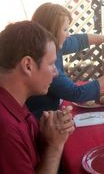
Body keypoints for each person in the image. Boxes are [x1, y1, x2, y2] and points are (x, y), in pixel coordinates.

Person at [26, 3, 104, 119]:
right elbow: (77, 94)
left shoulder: (53, 44)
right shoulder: (43, 64)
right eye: (65, 29)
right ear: (51, 32)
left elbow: (78, 40)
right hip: (40, 122)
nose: (68, 34)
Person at [0, 21, 75, 173]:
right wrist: (55, 147)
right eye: (51, 64)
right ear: (28, 65)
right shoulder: (5, 129)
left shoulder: (15, 101)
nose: (56, 72)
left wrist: (51, 133)